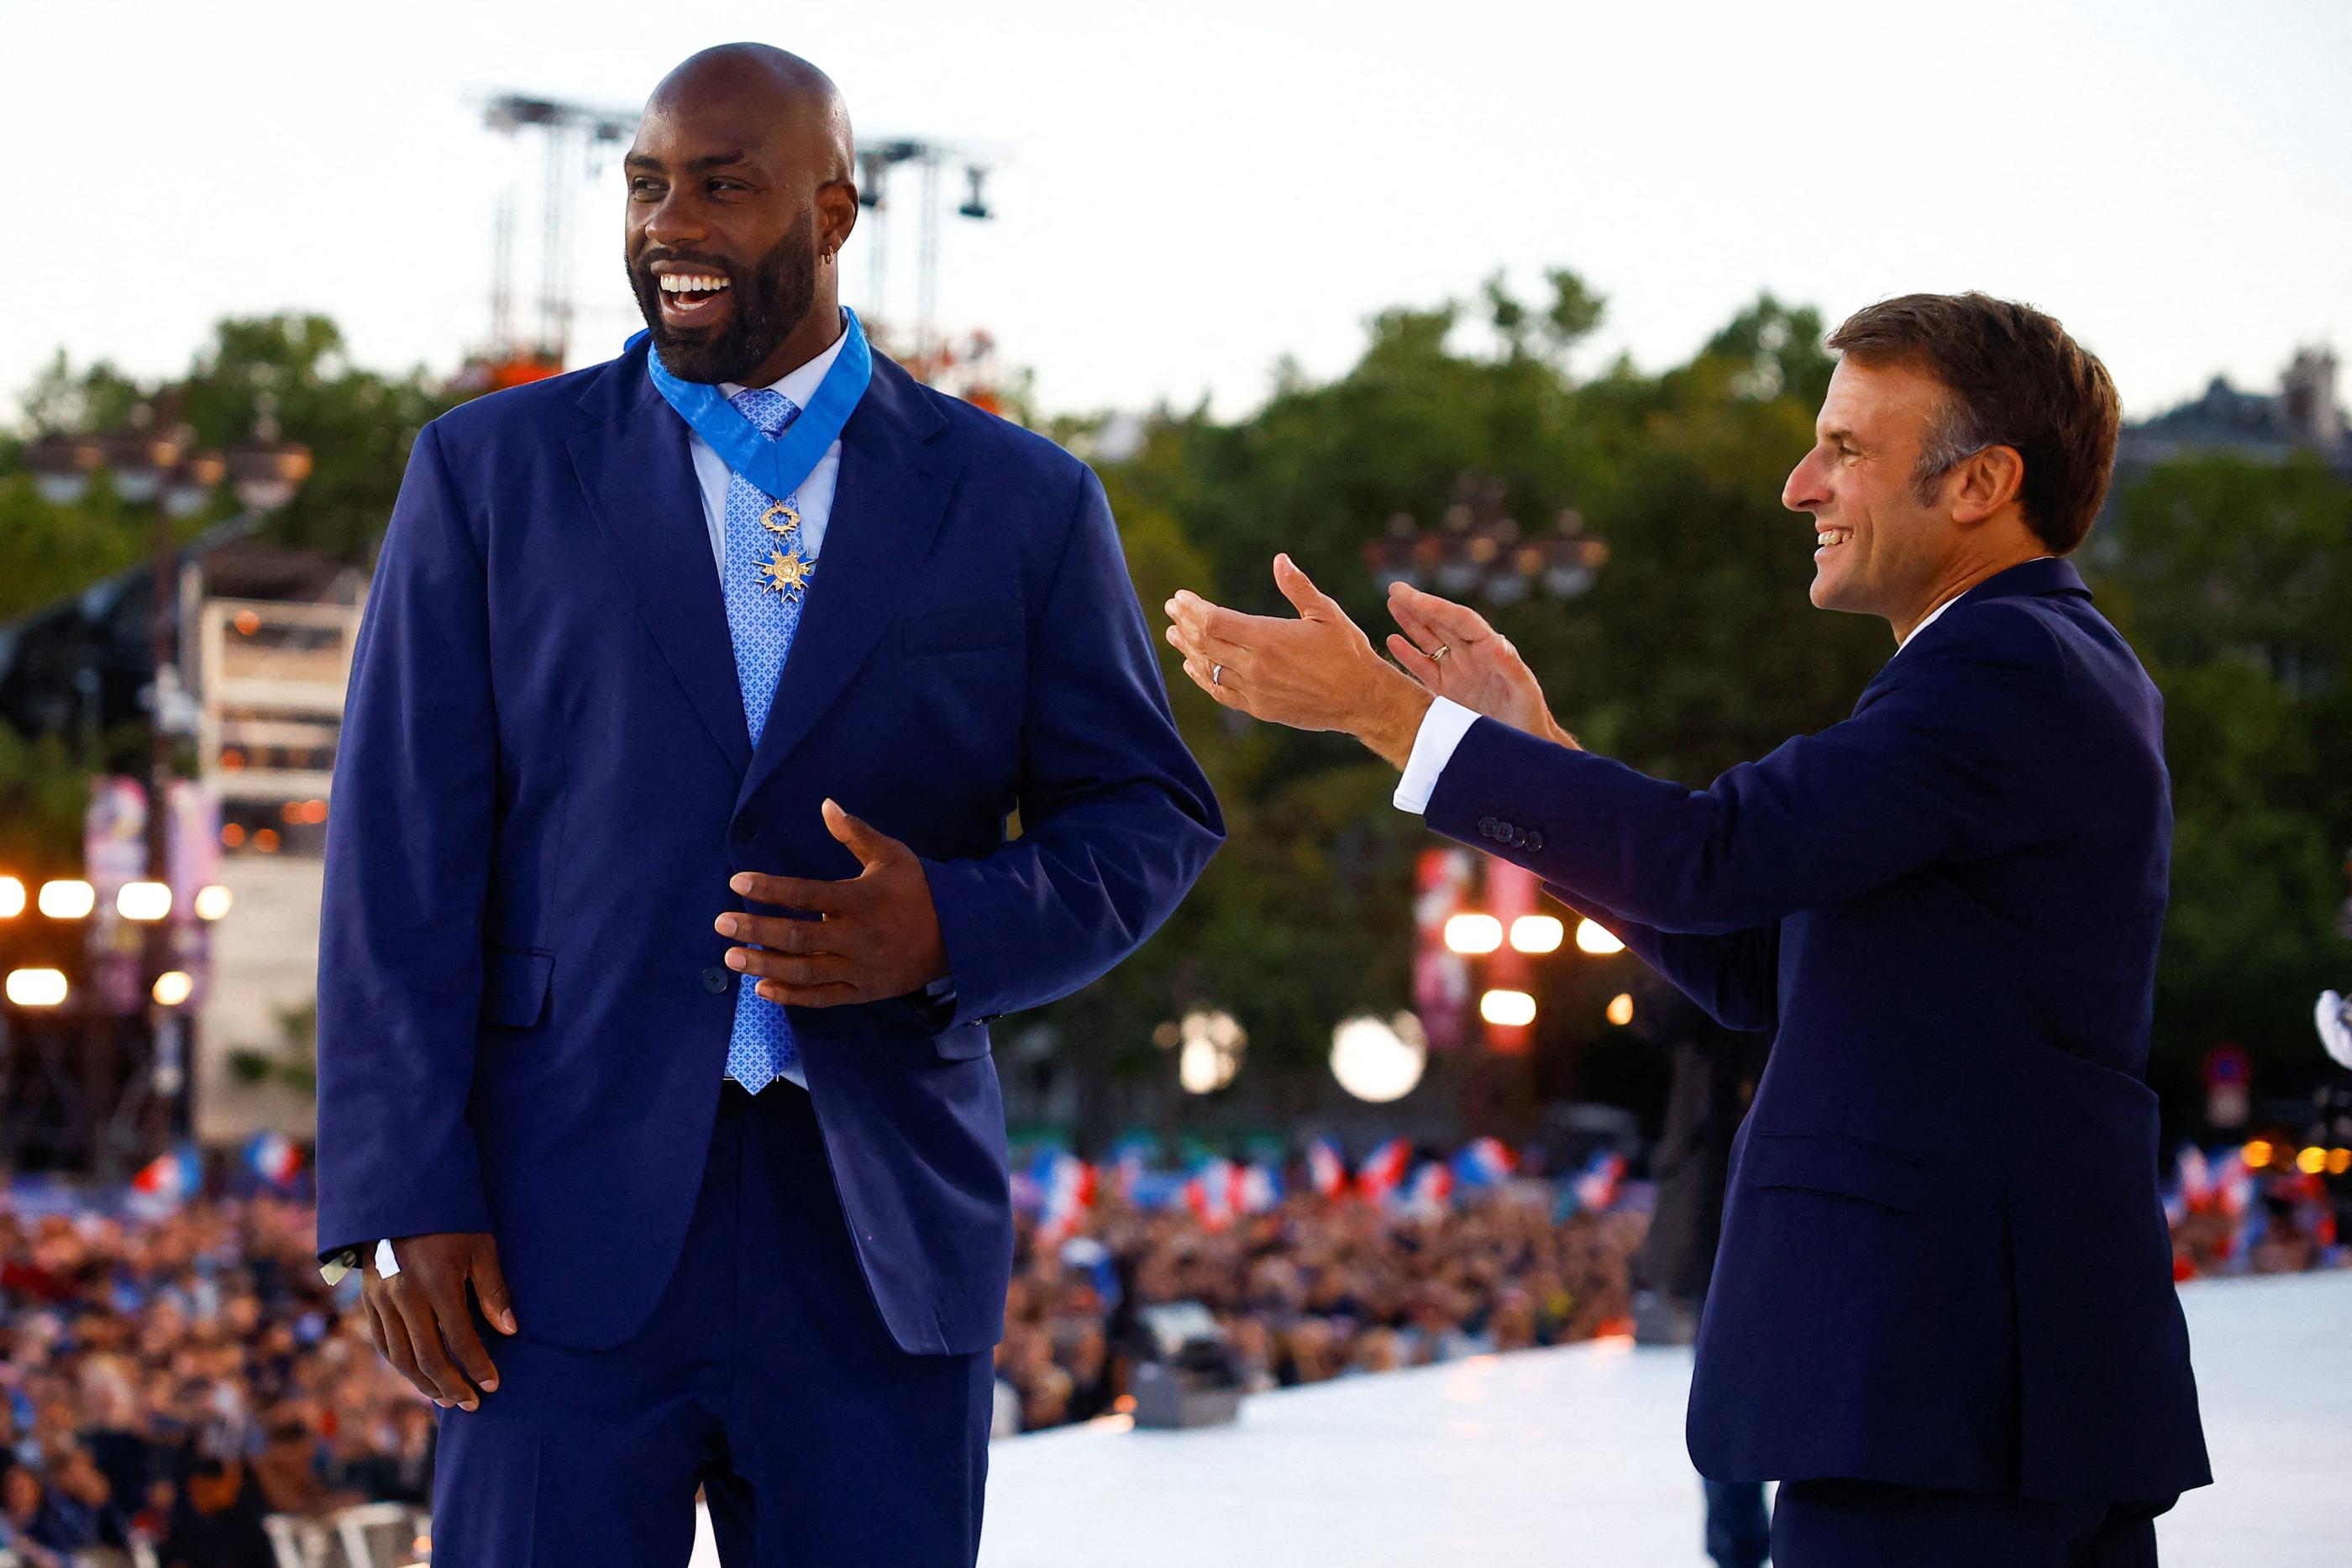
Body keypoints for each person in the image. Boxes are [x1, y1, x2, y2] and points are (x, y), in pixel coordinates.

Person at [313, 42, 1221, 1568]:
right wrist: (399, 1196)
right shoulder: (488, 472)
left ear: (835, 212)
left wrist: (953, 919)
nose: (672, 224)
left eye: (724, 187)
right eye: (648, 184)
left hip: (875, 1232)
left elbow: (1146, 815)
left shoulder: (1021, 501)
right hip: (548, 1228)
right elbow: (397, 856)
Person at [1163, 291, 2209, 1566]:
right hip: (1985, 1389)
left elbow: (1710, 859)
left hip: (1947, 1390)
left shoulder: (2008, 668)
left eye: (1846, 449)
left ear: (1983, 482)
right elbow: (1751, 961)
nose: (1797, 485)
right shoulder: (2036, 662)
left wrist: (1383, 716)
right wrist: (1531, 753)